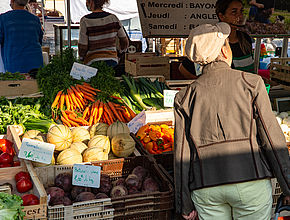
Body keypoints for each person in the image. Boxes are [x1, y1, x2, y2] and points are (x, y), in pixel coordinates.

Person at [174, 22, 290, 220]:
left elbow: (181, 154)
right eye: (227, 44)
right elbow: (272, 138)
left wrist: (184, 204)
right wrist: (287, 186)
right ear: (224, 51)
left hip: (206, 187)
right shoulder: (251, 83)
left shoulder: (184, 97)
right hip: (250, 181)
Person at [179, 0, 254, 79]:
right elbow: (183, 69)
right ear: (221, 16)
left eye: (241, 11)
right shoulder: (213, 41)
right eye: (234, 12)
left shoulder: (245, 38)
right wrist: (203, 83)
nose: (240, 16)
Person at [78, 0, 129, 67]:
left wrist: (81, 58)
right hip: (112, 61)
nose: (86, 3)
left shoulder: (85, 20)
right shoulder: (113, 18)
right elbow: (124, 41)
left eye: (87, 1)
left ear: (91, 2)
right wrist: (120, 53)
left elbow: (83, 46)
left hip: (93, 61)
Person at [0, 0, 43, 73]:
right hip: (36, 65)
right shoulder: (35, 20)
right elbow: (39, 40)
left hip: (14, 66)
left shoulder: (3, 19)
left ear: (12, 1)